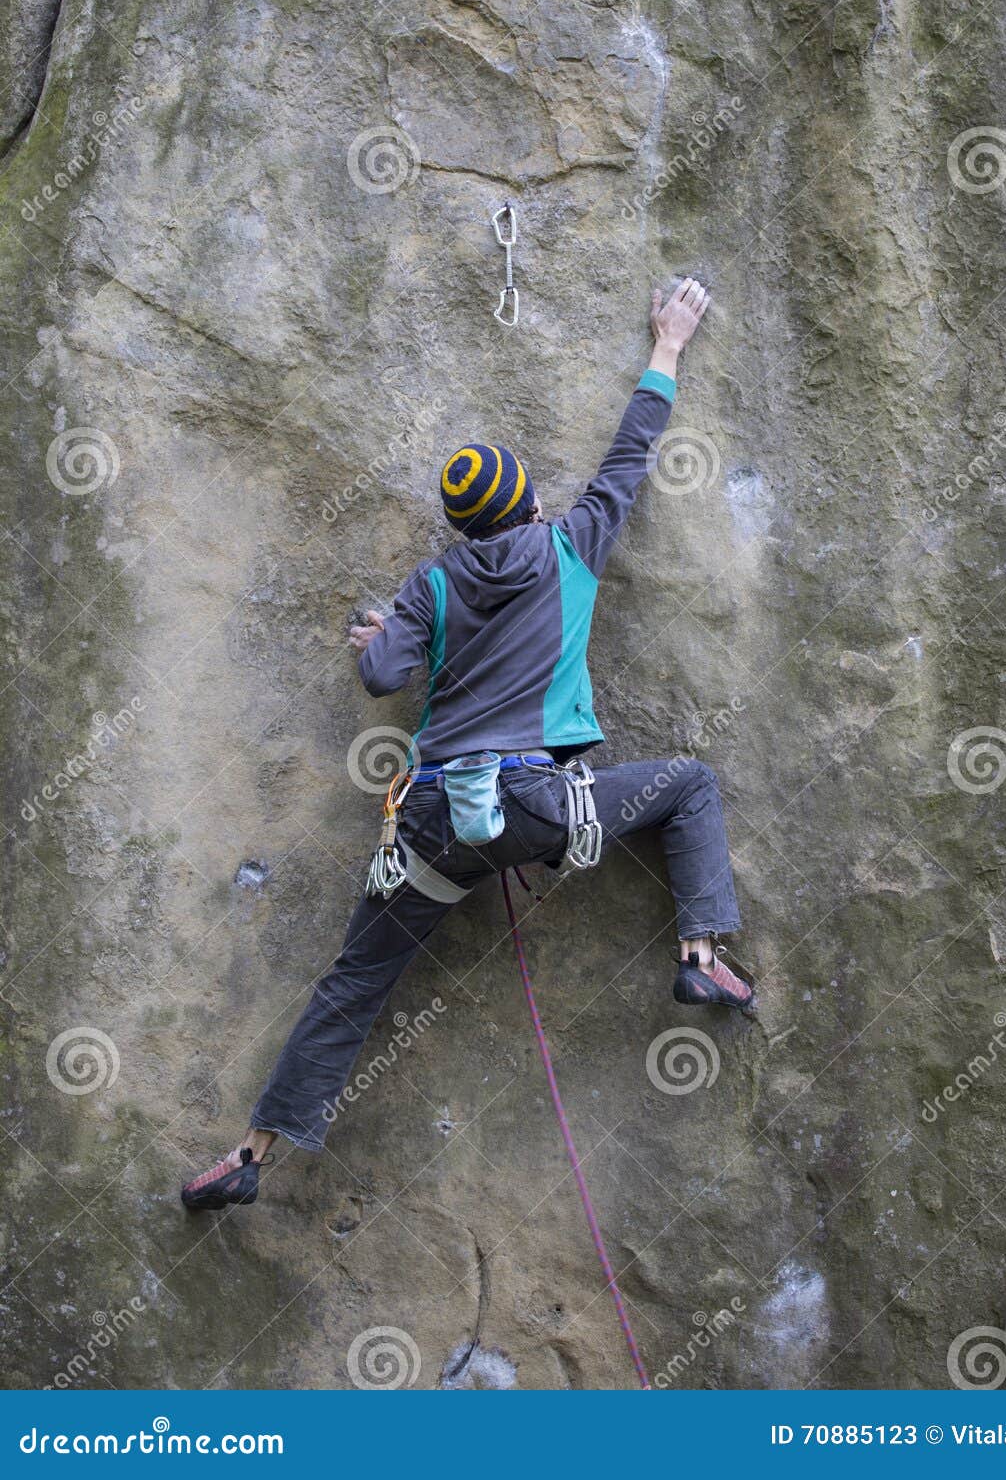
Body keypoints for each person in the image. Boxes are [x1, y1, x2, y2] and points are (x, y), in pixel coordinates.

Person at [181, 280, 753, 1211]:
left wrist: (384, 639)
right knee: (688, 785)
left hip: (431, 825)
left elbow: (379, 679)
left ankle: (250, 1154)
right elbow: (628, 457)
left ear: (461, 524)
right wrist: (668, 345)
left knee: (353, 983)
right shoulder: (570, 547)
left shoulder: (432, 585)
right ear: (527, 502)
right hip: (532, 807)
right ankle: (698, 959)